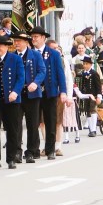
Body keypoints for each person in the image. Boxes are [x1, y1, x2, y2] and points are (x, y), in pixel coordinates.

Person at [33, 27, 67, 160]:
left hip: (50, 91)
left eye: (37, 36)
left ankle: (50, 149)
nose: (34, 39)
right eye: (33, 37)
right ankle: (34, 149)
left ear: (43, 38)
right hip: (33, 93)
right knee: (34, 121)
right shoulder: (30, 53)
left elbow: (60, 73)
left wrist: (63, 91)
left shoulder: (53, 54)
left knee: (51, 121)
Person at [0, 34, 23, 169]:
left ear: (6, 47)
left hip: (11, 100)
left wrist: (15, 91)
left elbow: (21, 77)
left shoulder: (15, 59)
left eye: (0, 46)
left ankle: (11, 158)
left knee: (12, 129)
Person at [13, 32, 46, 163]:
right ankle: (16, 151)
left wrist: (35, 83)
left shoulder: (35, 55)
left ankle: (32, 151)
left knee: (32, 123)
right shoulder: (12, 56)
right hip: (17, 94)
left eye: (19, 41)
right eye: (15, 41)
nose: (16, 43)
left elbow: (42, 71)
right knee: (16, 123)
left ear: (27, 42)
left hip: (32, 93)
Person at [75, 56, 103, 137]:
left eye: (86, 64)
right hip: (86, 95)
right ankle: (91, 129)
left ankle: (94, 129)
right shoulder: (83, 74)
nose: (84, 65)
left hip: (93, 95)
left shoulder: (94, 73)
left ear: (90, 64)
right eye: (84, 64)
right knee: (87, 111)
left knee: (93, 111)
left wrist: (99, 96)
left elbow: (98, 86)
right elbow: (82, 85)